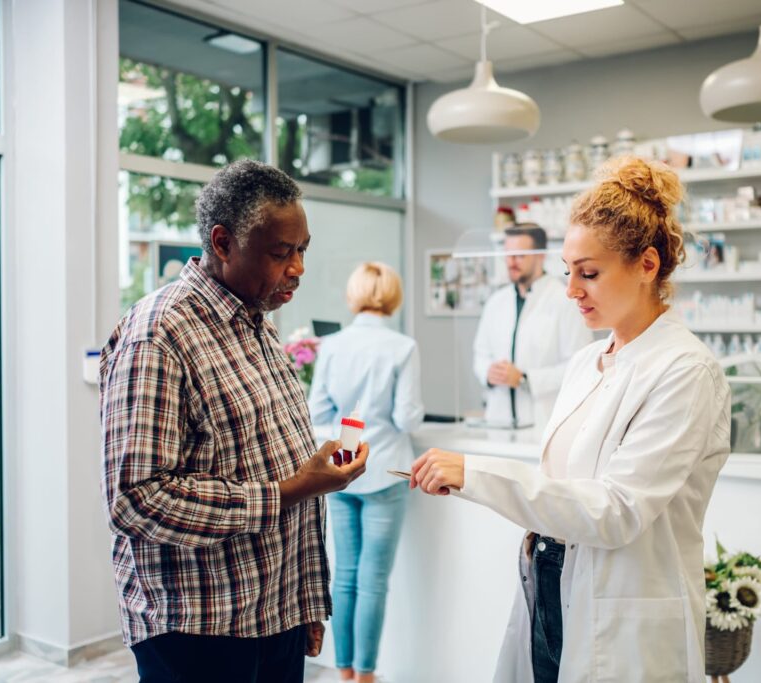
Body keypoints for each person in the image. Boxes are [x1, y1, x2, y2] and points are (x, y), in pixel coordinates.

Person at [410, 157, 731, 682]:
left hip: (624, 612)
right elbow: (561, 484)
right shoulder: (587, 363)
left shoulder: (685, 371)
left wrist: (478, 475)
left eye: (590, 273)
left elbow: (617, 509)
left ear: (647, 264)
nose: (571, 290)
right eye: (567, 272)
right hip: (551, 590)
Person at [100, 159, 369, 683]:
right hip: (198, 633)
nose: (298, 268)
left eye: (302, 250)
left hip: (274, 618)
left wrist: (305, 600)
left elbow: (276, 458)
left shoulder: (259, 326)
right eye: (280, 253)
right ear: (222, 243)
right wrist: (289, 490)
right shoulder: (158, 335)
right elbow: (136, 498)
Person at [308, 262, 424, 683]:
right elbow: (407, 418)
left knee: (346, 576)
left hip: (342, 472)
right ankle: (366, 676)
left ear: (354, 294)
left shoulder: (332, 345)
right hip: (386, 471)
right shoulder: (402, 347)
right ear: (392, 295)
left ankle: (343, 671)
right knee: (373, 579)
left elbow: (317, 411)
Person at [473, 224, 591, 430]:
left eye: (519, 255)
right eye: (508, 255)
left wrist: (525, 379)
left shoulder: (565, 301)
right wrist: (488, 372)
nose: (511, 262)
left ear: (541, 255)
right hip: (498, 422)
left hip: (543, 422)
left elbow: (579, 366)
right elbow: (480, 354)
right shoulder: (496, 302)